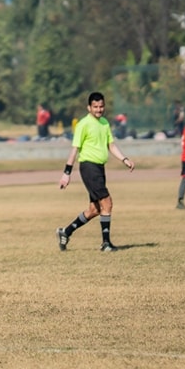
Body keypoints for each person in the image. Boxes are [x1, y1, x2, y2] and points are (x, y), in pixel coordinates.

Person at [56, 92, 136, 252]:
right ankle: (106, 244)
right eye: (95, 107)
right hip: (88, 167)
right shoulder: (83, 124)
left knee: (95, 209)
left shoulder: (105, 123)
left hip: (99, 168)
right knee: (107, 202)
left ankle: (65, 232)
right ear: (89, 107)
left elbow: (111, 145)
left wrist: (124, 159)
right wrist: (67, 173)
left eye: (101, 106)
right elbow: (74, 149)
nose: (99, 110)